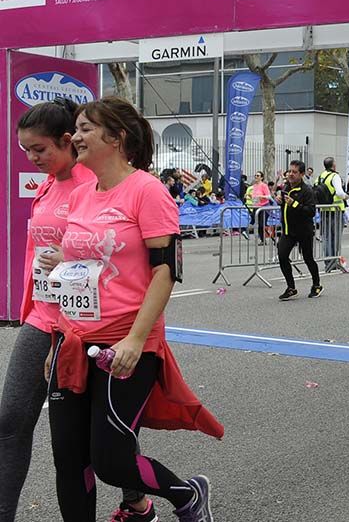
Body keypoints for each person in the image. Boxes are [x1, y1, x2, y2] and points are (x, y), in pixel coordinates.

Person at [46, 96, 221, 521]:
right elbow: (89, 265)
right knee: (70, 461)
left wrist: (136, 339)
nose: (76, 136)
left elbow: (165, 271)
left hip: (124, 342)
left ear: (117, 137)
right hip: (72, 339)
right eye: (77, 127)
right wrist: (56, 325)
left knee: (110, 460)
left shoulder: (148, 190)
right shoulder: (84, 193)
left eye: (86, 128)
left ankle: (186, 495)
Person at [0, 100, 141, 522]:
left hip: (90, 322)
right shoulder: (46, 185)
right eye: (25, 150)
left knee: (99, 433)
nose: (32, 158)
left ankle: (136, 498)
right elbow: (34, 256)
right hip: (44, 317)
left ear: (67, 141)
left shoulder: (93, 184)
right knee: (10, 420)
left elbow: (117, 253)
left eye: (39, 149)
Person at [276, 160, 322, 300]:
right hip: (288, 231)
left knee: (308, 259)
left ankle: (316, 285)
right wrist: (280, 201)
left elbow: (311, 211)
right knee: (282, 257)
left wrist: (294, 203)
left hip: (304, 231)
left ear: (302, 174)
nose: (290, 174)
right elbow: (285, 206)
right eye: (290, 171)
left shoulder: (307, 190)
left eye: (294, 172)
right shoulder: (286, 186)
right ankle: (291, 287)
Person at [316, 157, 348, 272]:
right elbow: (339, 192)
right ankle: (334, 261)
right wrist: (347, 196)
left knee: (326, 238)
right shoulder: (335, 176)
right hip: (336, 210)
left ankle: (328, 261)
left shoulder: (320, 177)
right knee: (336, 238)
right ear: (333, 165)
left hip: (324, 211)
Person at [247, 171, 273, 245]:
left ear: (261, 177)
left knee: (262, 224)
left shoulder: (264, 185)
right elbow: (254, 197)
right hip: (256, 206)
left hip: (264, 207)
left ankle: (267, 237)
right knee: (258, 224)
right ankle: (262, 240)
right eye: (255, 175)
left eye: (258, 175)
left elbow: (269, 196)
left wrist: (262, 196)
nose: (256, 177)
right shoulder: (254, 186)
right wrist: (249, 196)